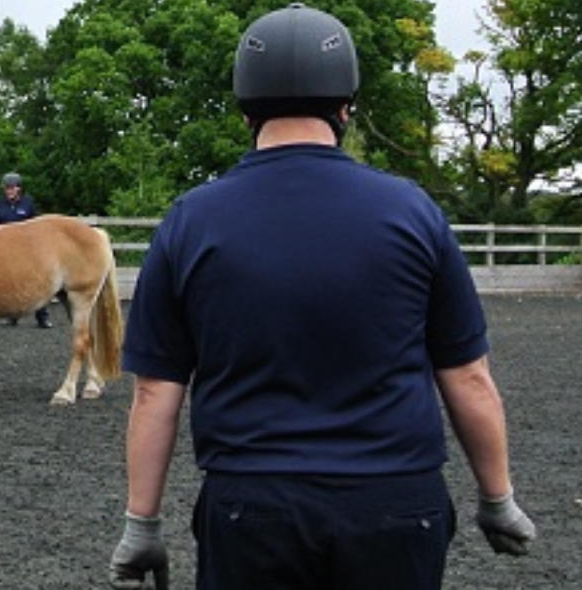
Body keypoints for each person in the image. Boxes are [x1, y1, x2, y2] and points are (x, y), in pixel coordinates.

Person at [108, 5, 536, 589]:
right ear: (345, 107)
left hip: (252, 506)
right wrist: (496, 498)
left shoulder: (191, 220)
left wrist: (142, 523)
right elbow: (467, 376)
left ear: (246, 110)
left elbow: (157, 388)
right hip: (395, 504)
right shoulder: (412, 211)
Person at [0, 172, 52, 328]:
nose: (9, 191)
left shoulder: (28, 204)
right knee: (9, 283)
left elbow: (36, 225)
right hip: (6, 250)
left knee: (36, 281)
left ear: (19, 189)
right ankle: (12, 316)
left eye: (12, 188)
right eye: (7, 188)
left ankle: (42, 316)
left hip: (25, 250)